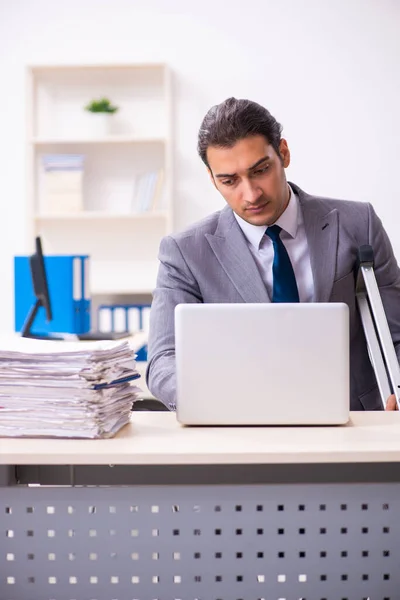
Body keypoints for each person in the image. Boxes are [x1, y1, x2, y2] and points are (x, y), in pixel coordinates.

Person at [146, 97, 400, 412]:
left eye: (261, 170)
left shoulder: (357, 223)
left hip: (355, 421)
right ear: (212, 179)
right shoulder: (184, 252)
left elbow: (396, 332)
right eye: (229, 180)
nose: (251, 194)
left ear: (283, 153)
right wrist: (217, 402)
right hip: (243, 425)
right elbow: (162, 361)